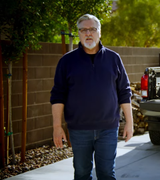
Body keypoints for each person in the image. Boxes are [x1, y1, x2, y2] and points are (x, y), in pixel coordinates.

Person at [50, 14, 133, 180]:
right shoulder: (67, 61)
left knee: (107, 174)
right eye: (83, 30)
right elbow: (58, 95)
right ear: (78, 34)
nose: (88, 33)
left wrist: (130, 123)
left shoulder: (113, 59)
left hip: (108, 129)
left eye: (92, 29)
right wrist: (57, 126)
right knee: (81, 174)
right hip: (79, 130)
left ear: (99, 32)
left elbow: (124, 91)